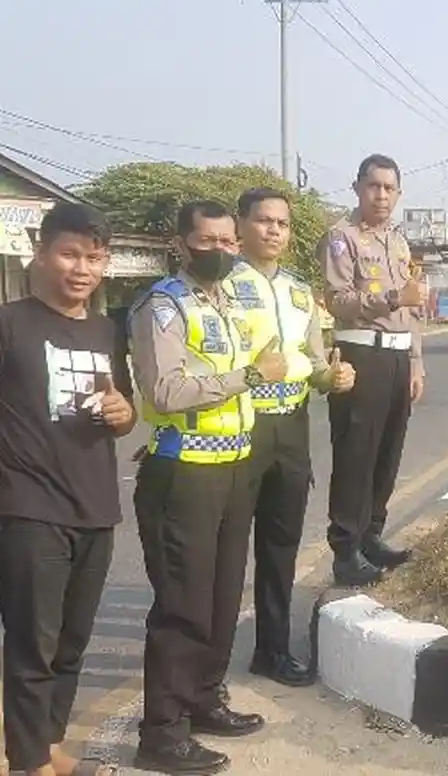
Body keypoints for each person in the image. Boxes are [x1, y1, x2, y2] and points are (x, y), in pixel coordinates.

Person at [129, 200, 287, 775]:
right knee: (183, 604)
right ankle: (162, 732)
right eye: (207, 241)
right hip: (183, 474)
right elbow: (166, 392)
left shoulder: (223, 305)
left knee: (222, 596)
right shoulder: (162, 306)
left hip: (231, 467)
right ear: (180, 243)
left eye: (227, 242)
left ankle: (203, 698)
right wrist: (248, 376)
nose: (220, 250)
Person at [0, 202, 136, 776]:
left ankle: (45, 740)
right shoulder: (9, 324)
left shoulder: (108, 330)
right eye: (70, 253)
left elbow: (125, 415)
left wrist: (122, 411)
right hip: (28, 505)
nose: (83, 268)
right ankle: (30, 762)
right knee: (33, 643)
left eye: (95, 257)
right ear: (41, 252)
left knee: (71, 642)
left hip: (96, 504)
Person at [223, 188, 357, 687]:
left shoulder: (301, 291)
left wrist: (333, 378)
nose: (274, 230)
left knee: (281, 547)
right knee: (229, 550)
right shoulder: (221, 287)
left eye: (281, 223)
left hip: (291, 427)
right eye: (263, 221)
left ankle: (271, 649)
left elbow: (317, 363)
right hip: (239, 426)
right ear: (241, 225)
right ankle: (205, 665)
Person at [319, 154, 426, 587]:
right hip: (361, 355)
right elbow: (337, 300)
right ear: (358, 188)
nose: (381, 195)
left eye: (389, 188)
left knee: (387, 452)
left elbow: (415, 309)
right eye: (373, 186)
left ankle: (371, 535)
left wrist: (416, 360)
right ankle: (345, 550)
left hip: (399, 357)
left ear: (398, 193)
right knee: (355, 456)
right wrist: (392, 299)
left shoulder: (398, 242)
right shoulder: (341, 239)